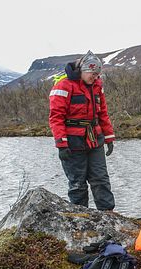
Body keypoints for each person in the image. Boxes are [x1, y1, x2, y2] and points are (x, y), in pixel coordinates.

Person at [49, 51, 116, 210]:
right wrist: (62, 144)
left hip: (95, 139)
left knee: (101, 179)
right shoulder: (63, 86)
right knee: (77, 184)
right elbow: (56, 117)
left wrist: (109, 137)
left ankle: (108, 214)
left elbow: (102, 114)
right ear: (83, 70)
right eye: (92, 73)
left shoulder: (97, 86)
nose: (95, 77)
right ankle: (81, 218)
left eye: (97, 74)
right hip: (73, 142)